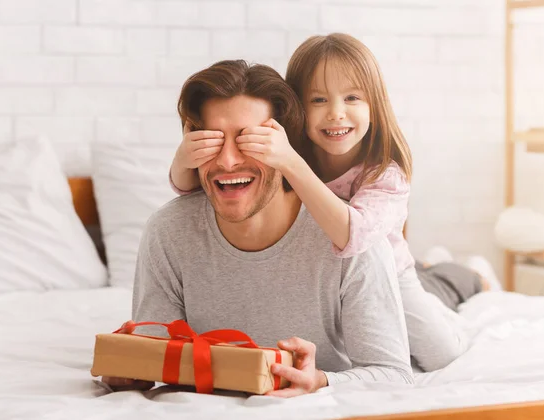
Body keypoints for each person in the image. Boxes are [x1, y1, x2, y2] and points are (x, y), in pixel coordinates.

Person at [102, 60, 414, 397]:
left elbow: (393, 375)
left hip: (398, 274)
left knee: (438, 337)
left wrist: (322, 380)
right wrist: (129, 369)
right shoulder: (168, 231)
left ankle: (450, 278)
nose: (227, 161)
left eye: (250, 140)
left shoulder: (352, 240)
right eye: (211, 141)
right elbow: (153, 352)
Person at [169, 34, 473, 372]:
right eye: (318, 100)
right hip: (329, 280)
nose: (336, 114)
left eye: (353, 97)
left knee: (440, 353)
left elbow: (352, 238)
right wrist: (184, 159)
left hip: (390, 274)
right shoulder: (288, 153)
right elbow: (192, 192)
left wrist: (290, 163)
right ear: (297, 109)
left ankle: (451, 281)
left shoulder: (384, 176)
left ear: (375, 103)